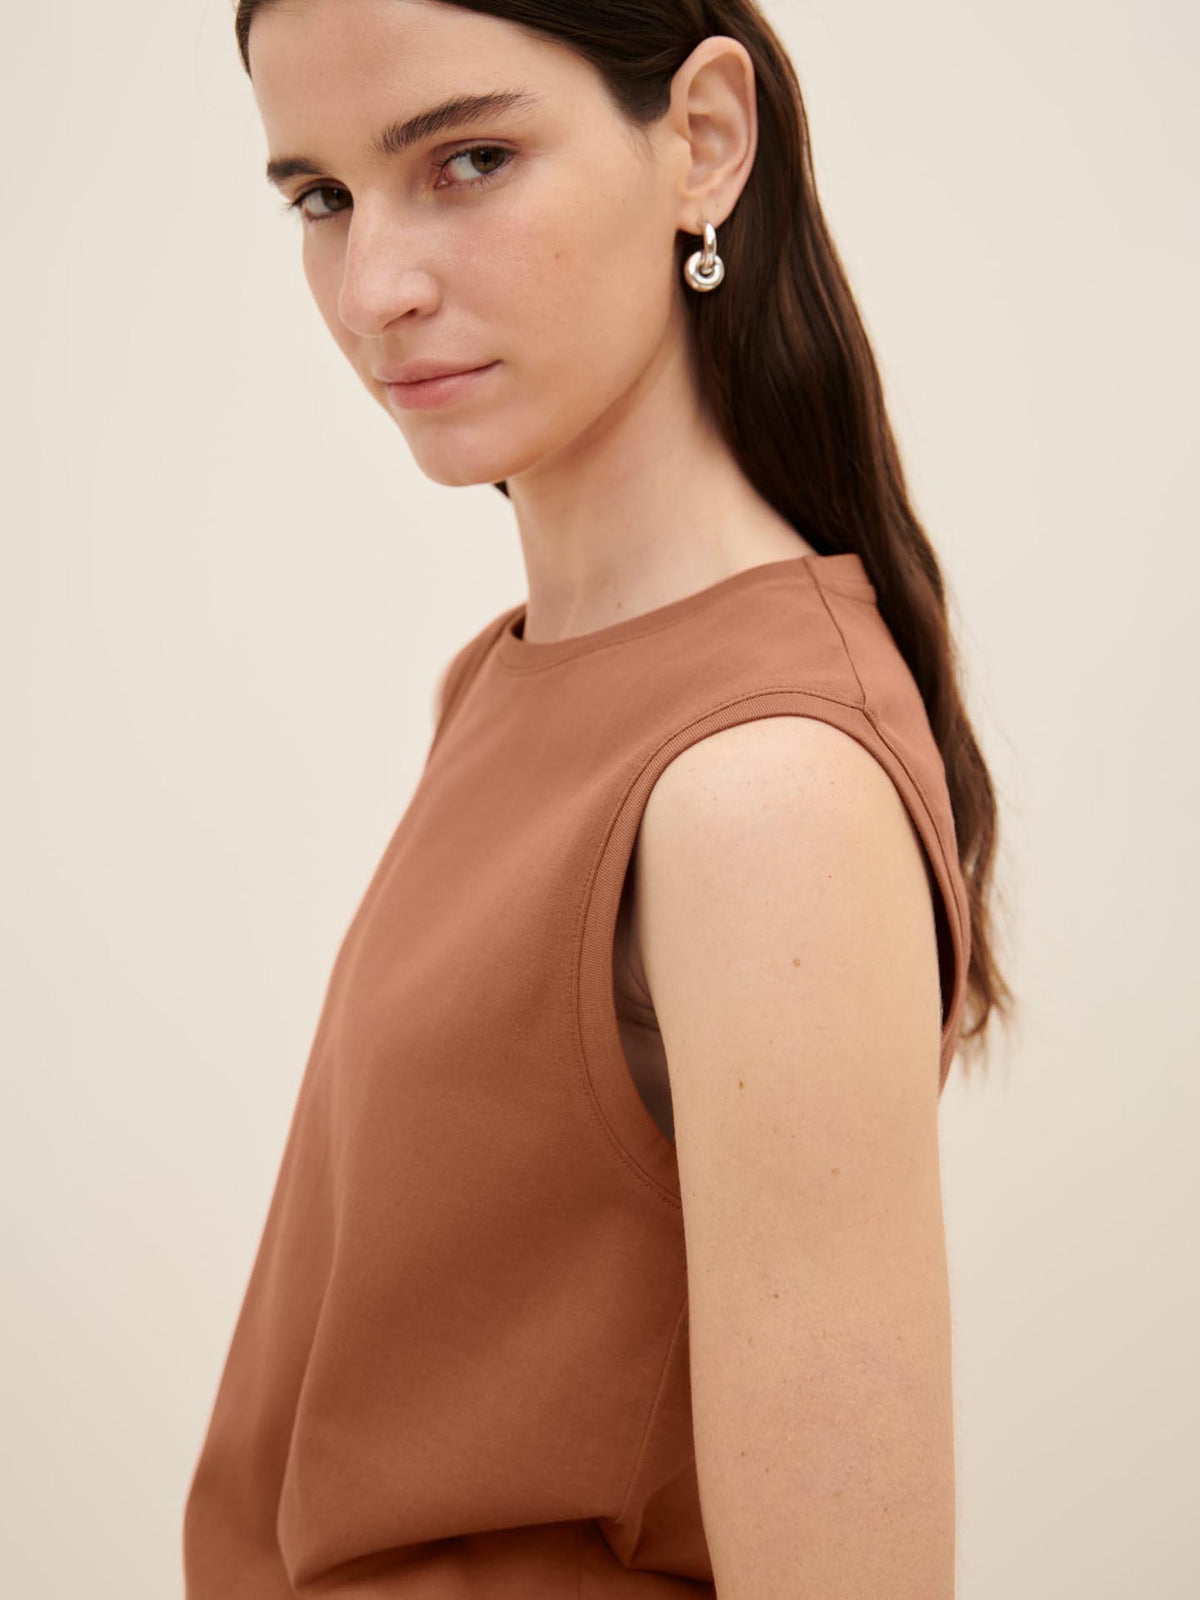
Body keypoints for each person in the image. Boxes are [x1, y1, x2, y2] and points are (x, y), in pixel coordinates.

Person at [183, 3, 1014, 1596]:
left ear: (704, 138)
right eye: (321, 199)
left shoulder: (761, 788)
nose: (375, 289)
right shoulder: (509, 681)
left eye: (469, 160)